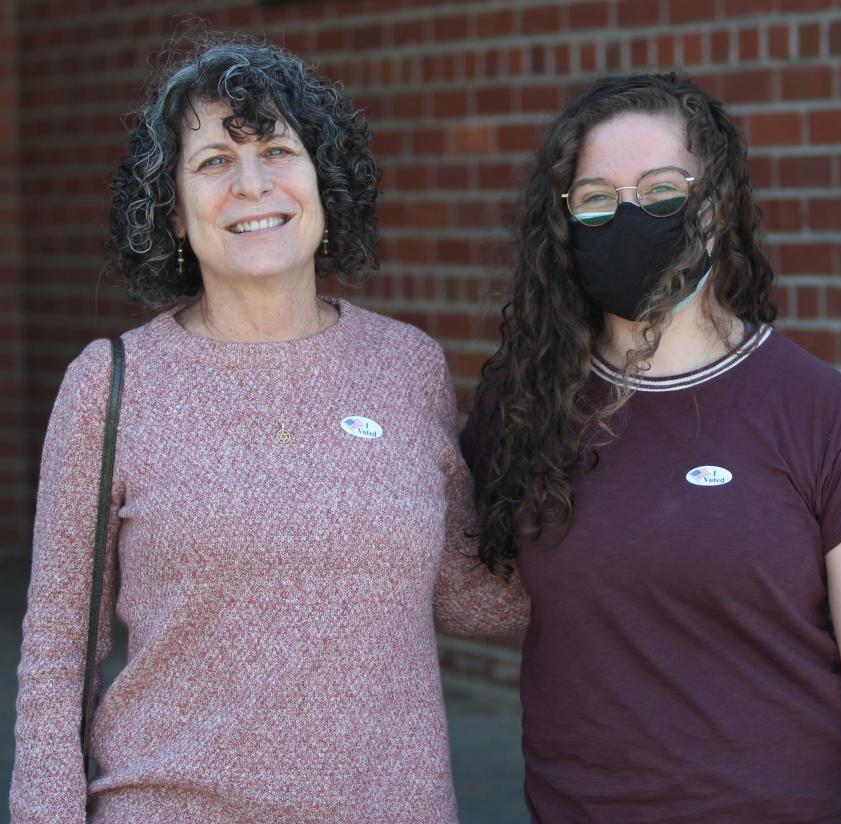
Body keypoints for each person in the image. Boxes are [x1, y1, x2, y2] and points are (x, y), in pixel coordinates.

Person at [10, 36, 523, 823]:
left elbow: (466, 593)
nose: (252, 185)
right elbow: (55, 655)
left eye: (277, 150)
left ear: (322, 183)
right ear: (172, 211)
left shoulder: (405, 366)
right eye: (213, 161)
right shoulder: (111, 384)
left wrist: (623, 521)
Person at [462, 72, 841, 823]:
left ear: (713, 206)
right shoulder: (524, 409)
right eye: (594, 199)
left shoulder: (819, 412)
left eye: (660, 191)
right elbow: (454, 581)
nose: (627, 216)